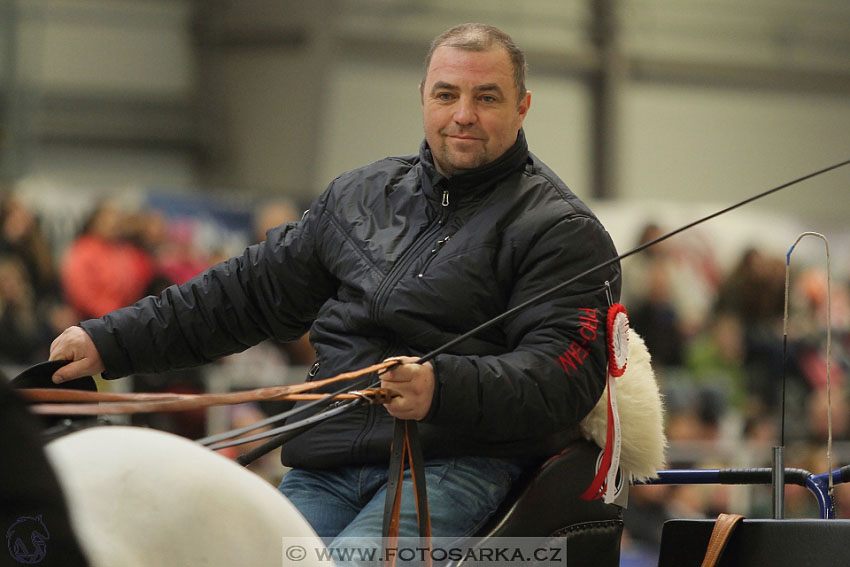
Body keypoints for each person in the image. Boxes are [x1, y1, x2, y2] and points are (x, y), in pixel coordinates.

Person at [49, 23, 621, 550]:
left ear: (522, 107)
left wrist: (440, 387)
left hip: (461, 462)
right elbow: (243, 293)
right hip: (328, 459)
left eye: (486, 97)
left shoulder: (562, 231)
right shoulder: (357, 196)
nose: (463, 114)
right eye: (447, 94)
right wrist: (107, 341)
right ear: (423, 97)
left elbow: (562, 373)